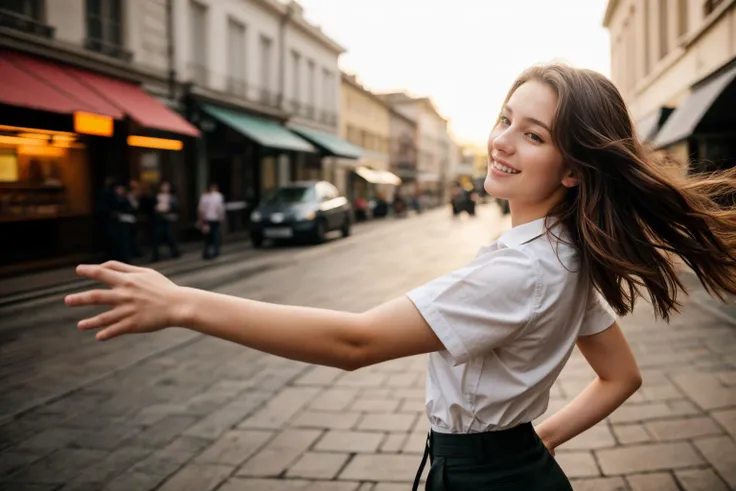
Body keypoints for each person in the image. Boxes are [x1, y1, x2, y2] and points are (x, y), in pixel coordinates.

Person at [64, 63, 736, 490]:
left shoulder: (520, 269)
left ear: (573, 170)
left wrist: (184, 302)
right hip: (510, 470)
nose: (502, 140)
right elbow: (624, 376)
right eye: (506, 118)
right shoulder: (565, 252)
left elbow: (354, 343)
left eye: (533, 135)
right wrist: (539, 441)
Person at [150, 181, 181, 262]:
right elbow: (151, 207)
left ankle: (175, 252)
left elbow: (176, 208)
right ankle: (155, 255)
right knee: (157, 237)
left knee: (170, 236)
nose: (165, 188)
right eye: (163, 186)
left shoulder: (172, 197)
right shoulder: (157, 196)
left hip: (167, 218)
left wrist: (169, 208)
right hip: (159, 219)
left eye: (166, 187)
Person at [198, 182, 225, 259]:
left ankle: (207, 252)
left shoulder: (204, 197)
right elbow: (220, 208)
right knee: (215, 235)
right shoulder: (218, 196)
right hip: (214, 219)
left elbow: (201, 209)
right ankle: (215, 251)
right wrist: (221, 217)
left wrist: (201, 219)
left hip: (207, 219)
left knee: (207, 237)